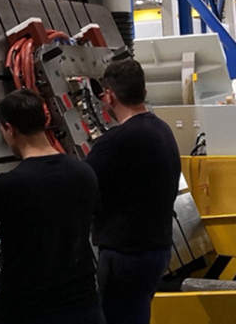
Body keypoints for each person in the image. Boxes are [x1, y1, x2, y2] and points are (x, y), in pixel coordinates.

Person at [0, 89, 103, 324]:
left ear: (9, 129)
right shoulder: (85, 173)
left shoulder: (4, 186)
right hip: (83, 306)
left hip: (27, 309)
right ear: (45, 120)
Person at [85, 59, 180, 324]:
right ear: (143, 91)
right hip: (157, 249)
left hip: (125, 255)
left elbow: (81, 188)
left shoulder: (114, 142)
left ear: (109, 96)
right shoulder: (162, 130)